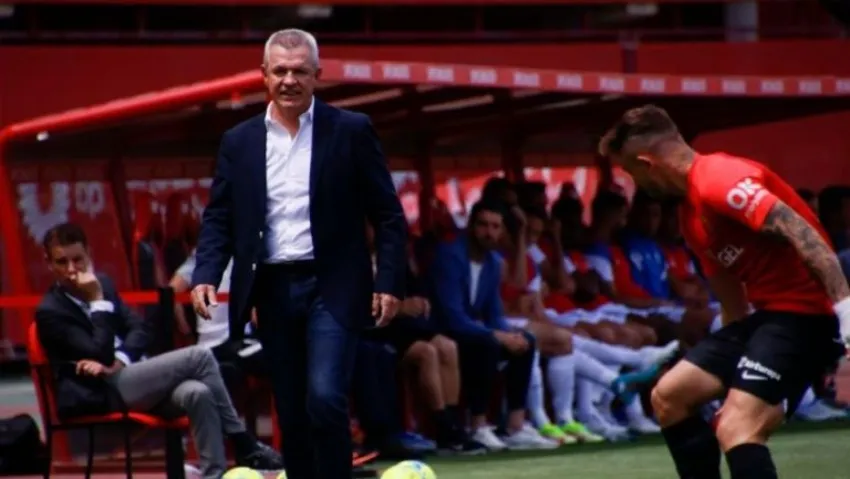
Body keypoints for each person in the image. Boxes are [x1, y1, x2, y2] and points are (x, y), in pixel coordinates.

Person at [190, 29, 408, 479]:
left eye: (300, 72)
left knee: (325, 395)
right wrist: (206, 273)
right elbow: (219, 216)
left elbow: (388, 215)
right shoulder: (240, 141)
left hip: (334, 285)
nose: (290, 80)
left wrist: (388, 281)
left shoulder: (351, 130)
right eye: (281, 71)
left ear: (317, 76)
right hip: (270, 288)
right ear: (264, 76)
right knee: (290, 409)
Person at [599, 104, 850, 479]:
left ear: (647, 163)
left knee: (737, 427)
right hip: (768, 320)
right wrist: (723, 367)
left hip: (808, 317)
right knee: (670, 396)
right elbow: (734, 306)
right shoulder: (690, 216)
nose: (634, 184)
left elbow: (802, 232)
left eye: (630, 172)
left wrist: (846, 311)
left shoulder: (720, 179)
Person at [35, 223, 282, 479]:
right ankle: (245, 443)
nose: (72, 271)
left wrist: (120, 359)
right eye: (62, 262)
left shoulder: (105, 285)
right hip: (101, 389)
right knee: (199, 356)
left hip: (128, 374)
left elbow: (139, 329)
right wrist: (97, 302)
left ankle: (214, 476)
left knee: (198, 392)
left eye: (78, 260)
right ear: (49, 264)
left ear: (89, 254)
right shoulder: (52, 311)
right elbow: (100, 352)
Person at [429, 200, 556, 451]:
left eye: (495, 227)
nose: (489, 232)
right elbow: (452, 317)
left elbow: (494, 314)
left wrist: (510, 334)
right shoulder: (450, 255)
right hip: (443, 333)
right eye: (483, 225)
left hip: (471, 333)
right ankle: (478, 426)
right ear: (471, 226)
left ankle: (515, 427)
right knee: (487, 342)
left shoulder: (492, 262)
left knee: (525, 340)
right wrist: (496, 334)